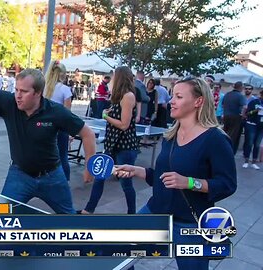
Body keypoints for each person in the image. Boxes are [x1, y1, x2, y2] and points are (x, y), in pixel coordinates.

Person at [114, 77, 237, 270]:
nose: (171, 101)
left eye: (178, 96)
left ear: (198, 101)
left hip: (189, 223)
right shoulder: (170, 136)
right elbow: (164, 178)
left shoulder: (216, 139)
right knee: (117, 250)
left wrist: (190, 183)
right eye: (172, 96)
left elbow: (227, 184)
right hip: (156, 211)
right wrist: (137, 171)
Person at [0, 68, 96, 214]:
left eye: (24, 91)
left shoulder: (55, 111)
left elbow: (87, 134)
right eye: (16, 90)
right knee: (2, 220)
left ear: (38, 93)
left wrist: (89, 166)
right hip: (20, 175)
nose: (18, 95)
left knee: (68, 219)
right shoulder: (9, 103)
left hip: (52, 177)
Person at [79, 66, 139, 215]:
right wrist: (108, 113)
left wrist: (106, 117)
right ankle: (88, 210)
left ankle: (132, 214)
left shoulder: (128, 96)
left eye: (114, 77)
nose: (111, 79)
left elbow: (124, 125)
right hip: (112, 145)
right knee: (99, 177)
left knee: (126, 184)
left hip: (124, 146)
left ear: (119, 78)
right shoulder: (118, 96)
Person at [44, 60, 72, 181]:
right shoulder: (65, 89)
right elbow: (67, 114)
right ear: (63, 74)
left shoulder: (44, 88)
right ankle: (64, 181)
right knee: (62, 156)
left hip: (44, 125)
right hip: (60, 128)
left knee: (46, 155)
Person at [222, 81, 246, 154]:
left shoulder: (227, 94)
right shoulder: (240, 96)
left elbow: (223, 105)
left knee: (225, 133)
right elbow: (245, 107)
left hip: (226, 116)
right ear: (241, 87)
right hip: (235, 117)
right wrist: (243, 115)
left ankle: (222, 149)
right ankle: (229, 152)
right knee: (233, 136)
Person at [242, 89, 263, 169]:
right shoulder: (254, 102)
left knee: (257, 144)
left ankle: (254, 161)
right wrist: (255, 110)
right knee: (249, 143)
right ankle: (246, 160)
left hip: (261, 127)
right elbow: (247, 113)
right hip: (251, 125)